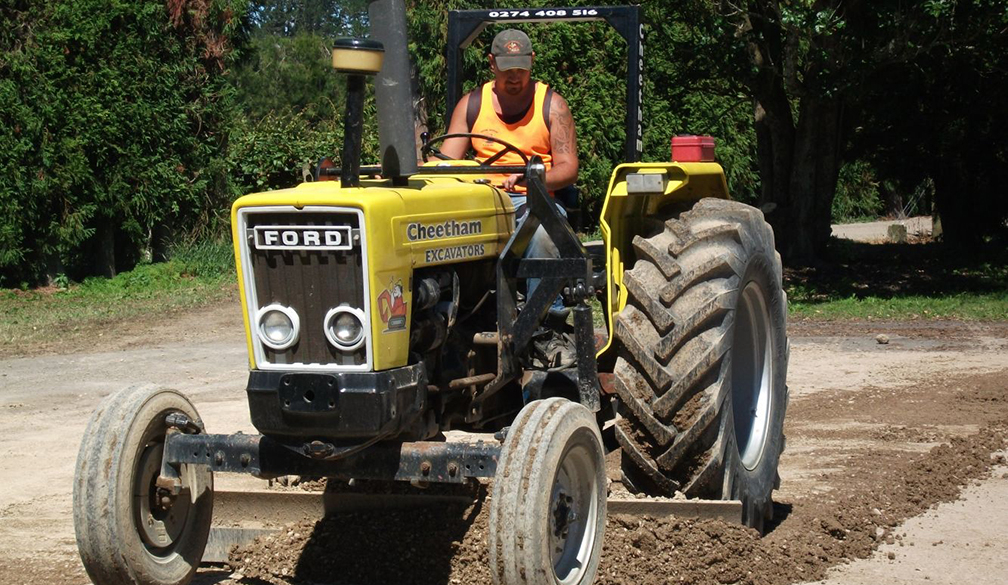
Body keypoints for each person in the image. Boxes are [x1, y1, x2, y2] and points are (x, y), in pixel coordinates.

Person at [441, 29, 578, 319]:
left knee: (542, 234)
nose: (514, 77)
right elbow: (445, 162)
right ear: (492, 63)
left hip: (534, 200)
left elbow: (568, 168)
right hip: (483, 200)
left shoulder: (553, 105)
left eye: (521, 69)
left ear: (532, 61)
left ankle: (543, 322)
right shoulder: (471, 104)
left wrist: (533, 179)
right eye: (507, 70)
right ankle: (452, 316)